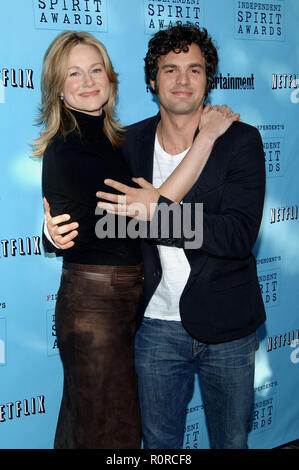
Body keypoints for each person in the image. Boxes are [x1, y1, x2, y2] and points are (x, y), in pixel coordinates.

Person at [38, 30, 237, 449]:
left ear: (110, 77)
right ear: (57, 88)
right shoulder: (70, 146)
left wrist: (56, 233)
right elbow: (149, 212)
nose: (89, 81)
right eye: (74, 74)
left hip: (122, 303)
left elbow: (108, 220)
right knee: (112, 435)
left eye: (96, 70)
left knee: (89, 427)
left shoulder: (112, 139)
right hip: (96, 304)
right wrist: (207, 139)